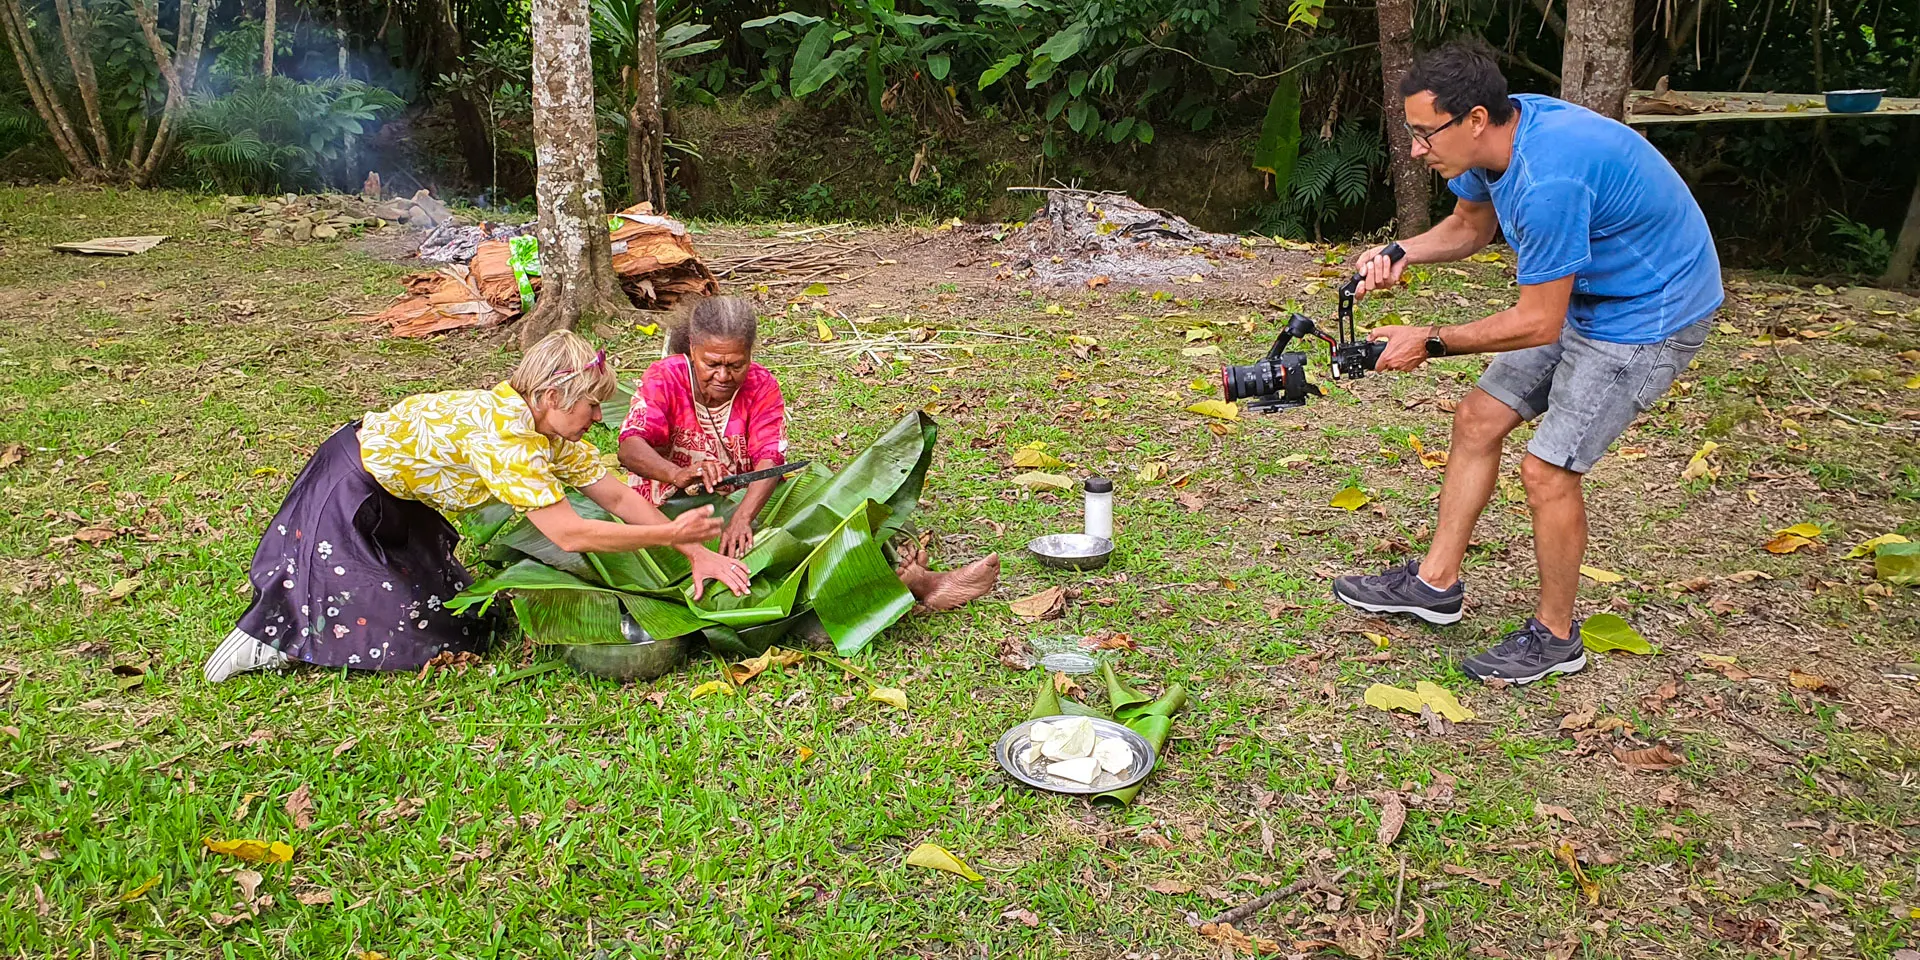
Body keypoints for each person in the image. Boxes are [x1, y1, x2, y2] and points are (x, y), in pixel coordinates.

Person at [1330, 41, 1722, 684]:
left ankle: (1557, 637)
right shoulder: (1500, 137)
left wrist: (1429, 340)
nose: (1415, 150)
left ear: (1476, 119)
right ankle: (1435, 584)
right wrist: (1403, 251)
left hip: (1649, 315)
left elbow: (1538, 320)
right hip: (1589, 296)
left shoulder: (1548, 181)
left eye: (1426, 134)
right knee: (1478, 419)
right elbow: (1469, 227)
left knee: (1547, 471)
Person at [204, 331, 751, 683]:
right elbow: (570, 534)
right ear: (553, 396)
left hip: (406, 497)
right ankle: (262, 637)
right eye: (591, 405)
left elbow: (615, 496)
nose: (596, 417)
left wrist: (695, 551)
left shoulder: (551, 434)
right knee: (371, 621)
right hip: (351, 484)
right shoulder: (505, 437)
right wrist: (666, 537)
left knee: (460, 626)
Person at [618, 296, 1001, 610]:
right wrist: (675, 474)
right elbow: (630, 446)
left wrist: (743, 518)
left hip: (740, 501)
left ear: (750, 355)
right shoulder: (665, 377)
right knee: (793, 543)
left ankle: (923, 582)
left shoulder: (761, 384)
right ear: (692, 351)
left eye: (735, 364)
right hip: (673, 509)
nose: (723, 375)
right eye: (712, 364)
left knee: (829, 497)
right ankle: (912, 581)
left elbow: (770, 458)